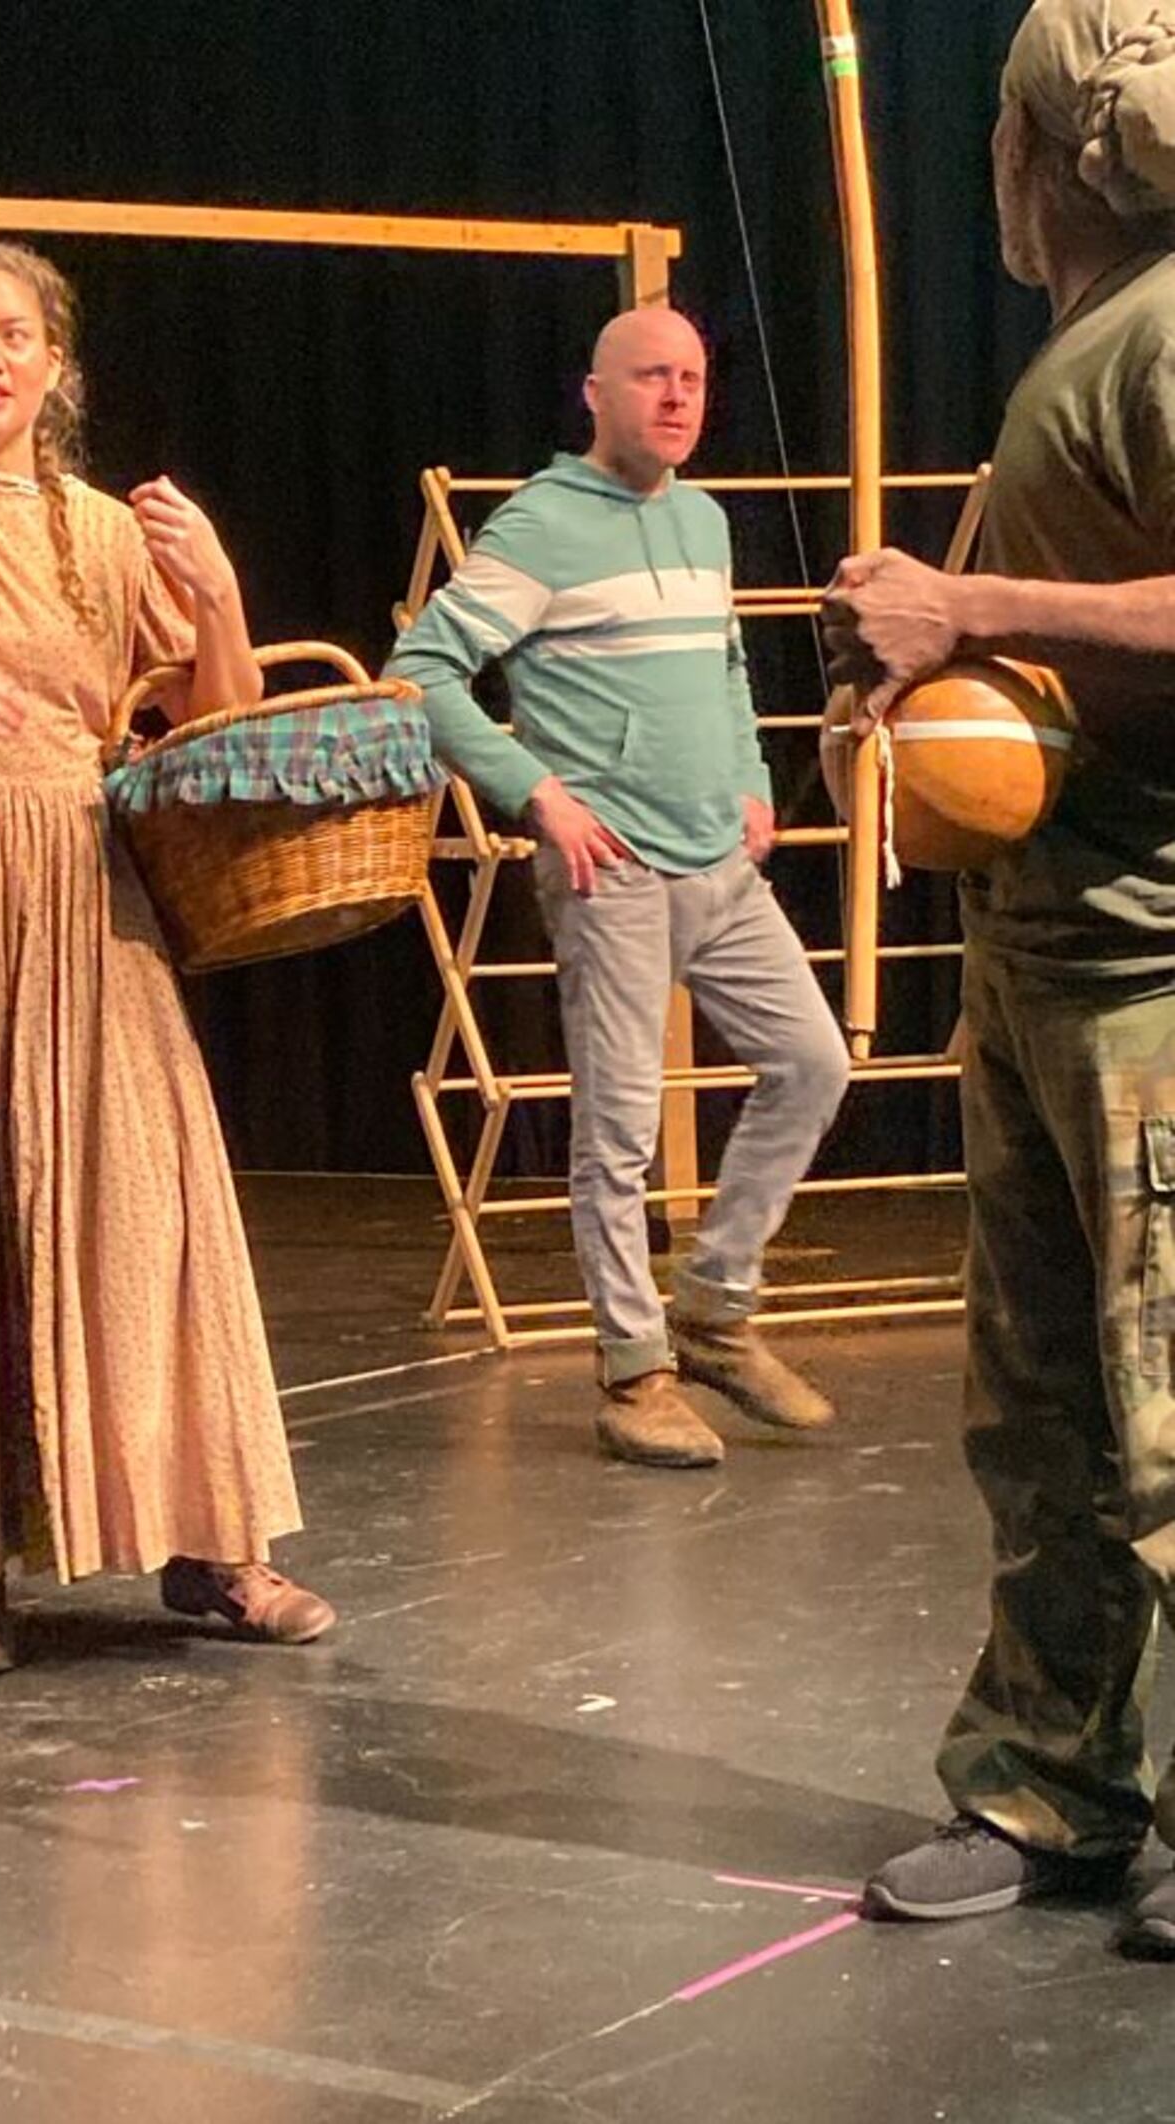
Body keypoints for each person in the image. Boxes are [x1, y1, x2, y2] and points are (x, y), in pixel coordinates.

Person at [0, 237, 334, 1676]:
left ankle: (211, 1546)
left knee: (146, 1200)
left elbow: (224, 734)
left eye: (16, 335)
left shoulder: (110, 535)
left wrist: (221, 596)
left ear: (58, 368)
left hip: (86, 893)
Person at [825, 0, 1175, 1962]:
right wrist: (912, 689)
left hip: (1149, 981)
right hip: (1039, 957)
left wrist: (966, 604)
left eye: (1005, 122)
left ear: (1056, 141)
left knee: (1161, 1423)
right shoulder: (1088, 347)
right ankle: (1045, 1781)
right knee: (1038, 1414)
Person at [387, 307, 851, 1469]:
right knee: (619, 1131)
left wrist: (751, 779)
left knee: (813, 1062)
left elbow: (729, 662)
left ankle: (714, 1309)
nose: (678, 397)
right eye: (652, 376)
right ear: (594, 392)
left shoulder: (700, 520)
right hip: (616, 875)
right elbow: (422, 669)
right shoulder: (543, 526)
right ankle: (634, 1370)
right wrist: (535, 794)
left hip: (718, 865)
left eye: (692, 377)